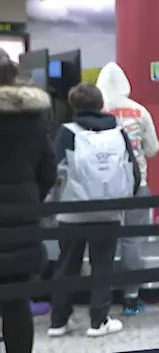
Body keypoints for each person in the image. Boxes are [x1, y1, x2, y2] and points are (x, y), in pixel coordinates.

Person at [48, 83, 140, 338]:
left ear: (74, 106)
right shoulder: (118, 132)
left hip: (72, 212)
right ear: (101, 105)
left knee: (67, 265)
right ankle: (98, 321)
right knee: (103, 266)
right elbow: (133, 171)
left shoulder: (66, 133)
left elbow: (52, 170)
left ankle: (58, 321)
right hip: (108, 211)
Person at [0, 49, 56, 353]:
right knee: (16, 302)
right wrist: (31, 198)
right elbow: (48, 168)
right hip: (21, 224)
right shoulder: (32, 117)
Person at [95, 61, 159, 316]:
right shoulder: (139, 111)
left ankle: (100, 301)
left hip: (102, 189)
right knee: (132, 241)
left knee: (103, 243)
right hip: (137, 184)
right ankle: (131, 299)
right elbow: (153, 149)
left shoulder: (98, 110)